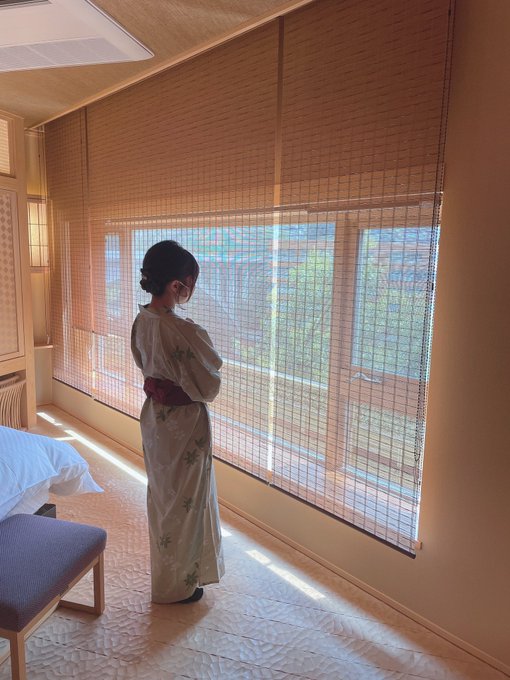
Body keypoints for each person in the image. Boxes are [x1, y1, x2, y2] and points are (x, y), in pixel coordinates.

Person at [131, 240, 224, 604]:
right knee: (186, 502)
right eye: (190, 284)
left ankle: (176, 575)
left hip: (155, 418)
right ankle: (178, 585)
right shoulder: (184, 330)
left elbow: (143, 363)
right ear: (176, 285)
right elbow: (209, 384)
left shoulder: (142, 320)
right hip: (184, 423)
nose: (190, 291)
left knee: (164, 498)